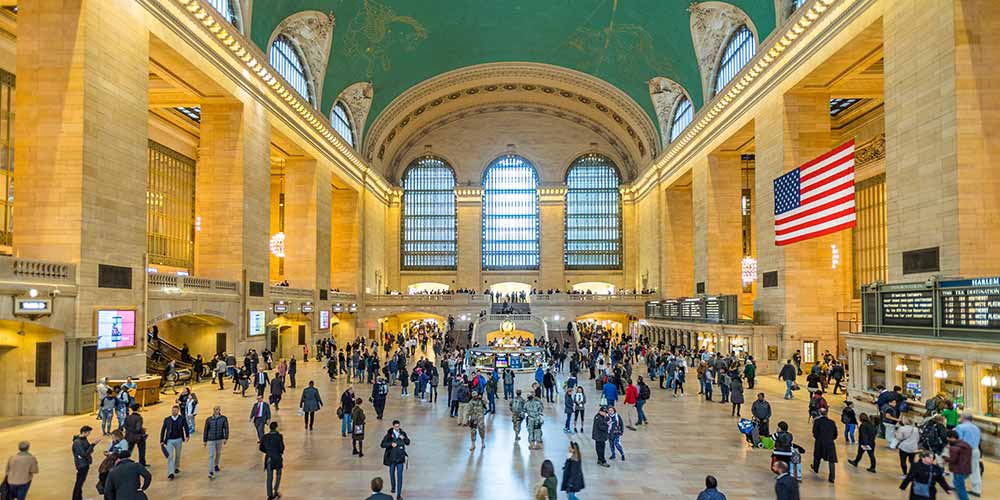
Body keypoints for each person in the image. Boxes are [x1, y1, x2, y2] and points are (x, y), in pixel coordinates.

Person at [380, 420, 410, 500]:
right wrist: (390, 444)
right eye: (396, 426)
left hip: (400, 459)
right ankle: (393, 486)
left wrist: (404, 438)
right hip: (391, 459)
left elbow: (408, 442)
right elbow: (382, 444)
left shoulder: (402, 433)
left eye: (398, 426)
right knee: (391, 474)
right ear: (393, 426)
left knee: (400, 476)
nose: (397, 428)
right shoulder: (389, 435)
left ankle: (399, 495)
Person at [955, 412, 982, 497]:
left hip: (964, 451)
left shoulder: (960, 427)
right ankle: (976, 490)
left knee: (959, 469)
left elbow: (958, 440)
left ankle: (957, 486)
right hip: (975, 450)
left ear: (963, 418)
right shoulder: (976, 428)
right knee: (975, 470)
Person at [160, 404, 189, 480]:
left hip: (179, 439)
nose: (173, 412)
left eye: (175, 410)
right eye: (172, 410)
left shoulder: (182, 418)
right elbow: (163, 430)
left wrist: (187, 435)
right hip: (169, 440)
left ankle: (176, 467)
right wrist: (161, 440)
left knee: (178, 455)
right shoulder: (167, 419)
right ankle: (171, 473)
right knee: (170, 456)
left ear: (178, 411)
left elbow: (186, 427)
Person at [810, 407, 838, 483]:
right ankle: (832, 477)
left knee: (817, 456)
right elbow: (835, 434)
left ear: (819, 413)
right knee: (831, 460)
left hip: (820, 442)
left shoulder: (817, 421)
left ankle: (816, 469)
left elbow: (815, 433)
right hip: (830, 442)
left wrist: (818, 438)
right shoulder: (832, 422)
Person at [259, 421, 285, 500]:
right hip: (277, 458)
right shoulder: (279, 436)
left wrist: (267, 451)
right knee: (278, 474)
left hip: (269, 458)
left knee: (269, 477)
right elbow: (281, 448)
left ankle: (270, 495)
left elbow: (261, 448)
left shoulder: (265, 437)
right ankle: (275, 490)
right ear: (276, 427)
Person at [203, 405, 229, 479]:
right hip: (210, 439)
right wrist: (204, 440)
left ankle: (216, 464)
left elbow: (226, 428)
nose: (216, 410)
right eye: (215, 409)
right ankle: (211, 471)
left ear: (219, 410)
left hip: (219, 439)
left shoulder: (223, 418)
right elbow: (206, 430)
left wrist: (226, 438)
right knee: (211, 455)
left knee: (218, 453)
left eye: (217, 409)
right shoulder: (209, 419)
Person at [945, 430, 972, 500]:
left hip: (958, 470)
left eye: (948, 438)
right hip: (966, 469)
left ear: (952, 438)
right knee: (957, 485)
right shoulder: (966, 444)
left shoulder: (954, 447)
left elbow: (953, 460)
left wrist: (945, 458)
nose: (947, 440)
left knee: (961, 489)